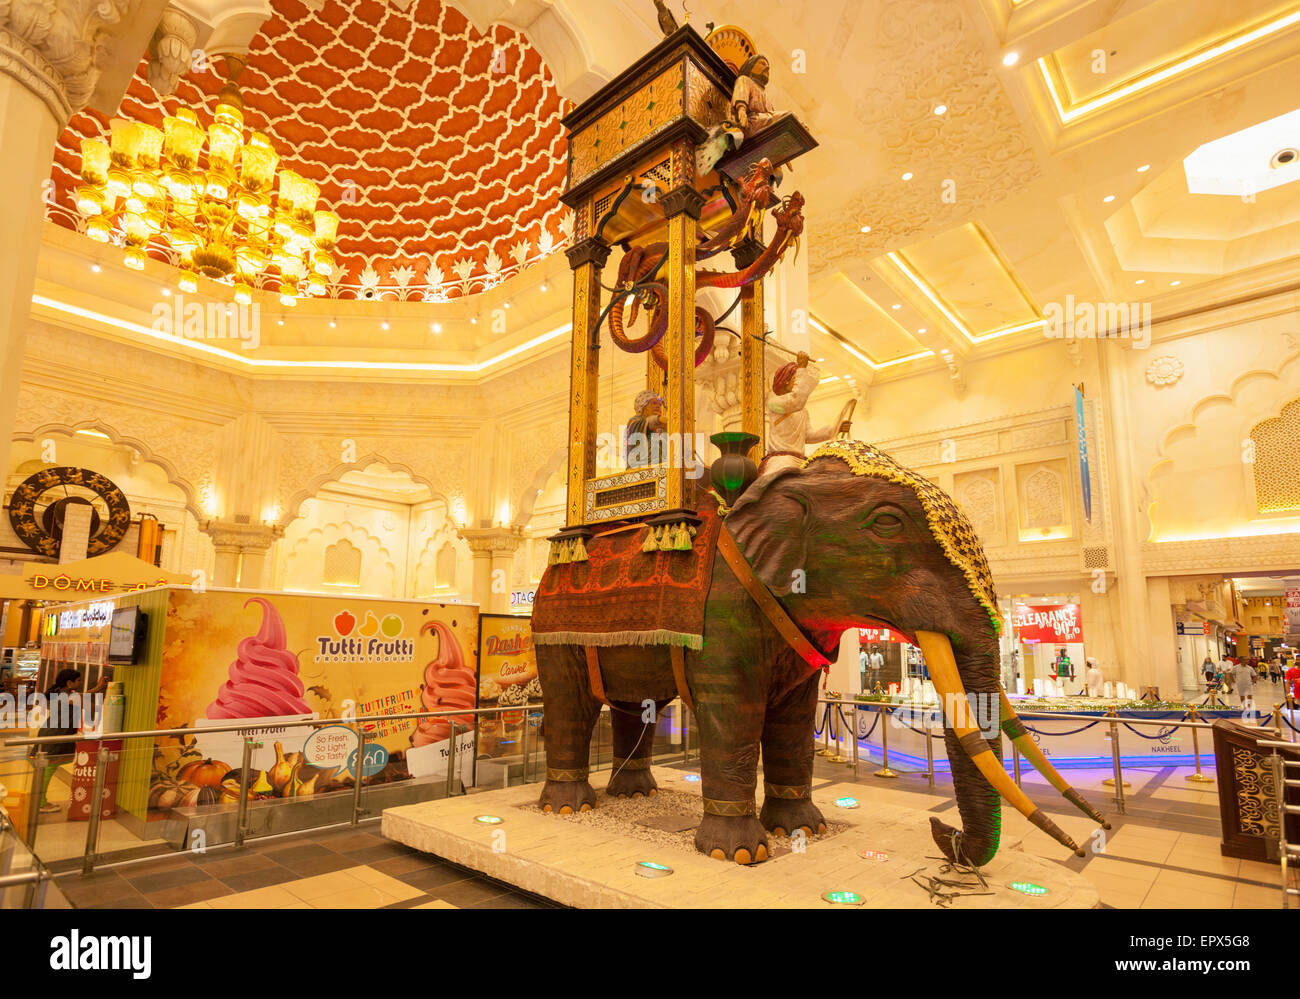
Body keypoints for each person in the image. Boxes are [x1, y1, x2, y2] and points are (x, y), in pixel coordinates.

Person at [29, 669, 98, 814]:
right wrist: (100, 704)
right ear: (69, 682)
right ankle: (40, 804)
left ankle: (38, 801)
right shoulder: (65, 696)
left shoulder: (62, 692)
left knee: (46, 770)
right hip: (54, 737)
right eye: (78, 680)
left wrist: (98, 688)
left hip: (51, 735)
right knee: (47, 771)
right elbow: (84, 702)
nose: (80, 683)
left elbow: (80, 697)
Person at [625, 390, 667, 468]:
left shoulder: (660, 430)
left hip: (660, 469)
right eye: (654, 403)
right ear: (643, 406)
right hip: (639, 470)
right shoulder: (635, 421)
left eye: (660, 405)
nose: (658, 406)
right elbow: (657, 421)